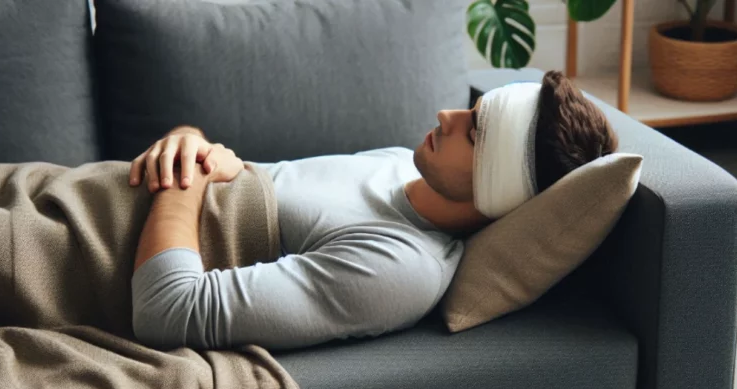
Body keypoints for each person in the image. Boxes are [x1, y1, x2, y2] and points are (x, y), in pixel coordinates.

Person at [128, 70, 618, 350]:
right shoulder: (398, 162)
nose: (446, 117)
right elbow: (231, 170)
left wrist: (185, 168)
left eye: (473, 132)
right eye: (471, 109)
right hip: (84, 187)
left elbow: (169, 312)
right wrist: (191, 140)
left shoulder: (403, 266)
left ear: (500, 189)